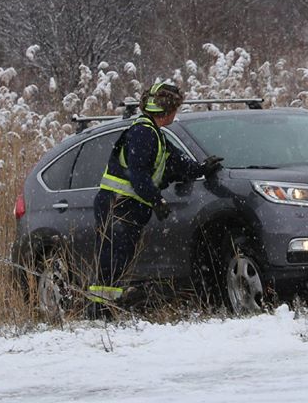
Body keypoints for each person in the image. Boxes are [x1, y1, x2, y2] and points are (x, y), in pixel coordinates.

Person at [87, 82, 223, 316]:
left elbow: (176, 162)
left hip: (127, 206)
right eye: (175, 108)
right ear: (167, 110)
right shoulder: (142, 133)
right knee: (113, 257)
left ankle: (106, 307)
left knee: (120, 256)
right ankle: (100, 311)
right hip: (118, 204)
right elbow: (138, 173)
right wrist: (156, 200)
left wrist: (202, 169)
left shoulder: (155, 135)